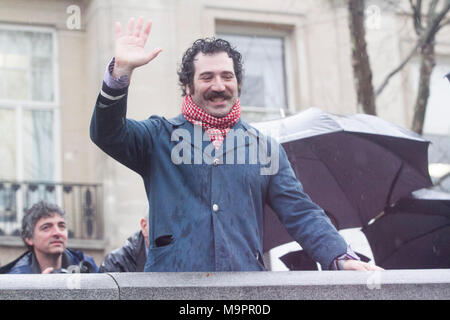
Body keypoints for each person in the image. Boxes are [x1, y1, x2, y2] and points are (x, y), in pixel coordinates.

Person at [90, 17, 383, 272]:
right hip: (173, 288)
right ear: (188, 86)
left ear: (238, 84)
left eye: (226, 76)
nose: (219, 86)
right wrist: (121, 73)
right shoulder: (157, 137)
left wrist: (340, 257)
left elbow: (302, 212)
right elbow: (107, 134)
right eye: (207, 77)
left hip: (244, 291)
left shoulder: (266, 149)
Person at [0, 201, 98, 274]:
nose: (57, 233)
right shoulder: (16, 279)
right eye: (46, 227)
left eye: (61, 226)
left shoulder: (86, 266)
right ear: (29, 238)